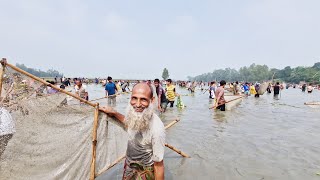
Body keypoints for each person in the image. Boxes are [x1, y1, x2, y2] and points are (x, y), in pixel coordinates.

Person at [101, 83, 165, 180]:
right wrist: (114, 113)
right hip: (129, 167)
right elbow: (129, 124)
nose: (138, 104)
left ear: (152, 100)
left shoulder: (157, 128)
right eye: (134, 98)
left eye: (143, 99)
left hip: (145, 172)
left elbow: (158, 165)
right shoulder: (136, 117)